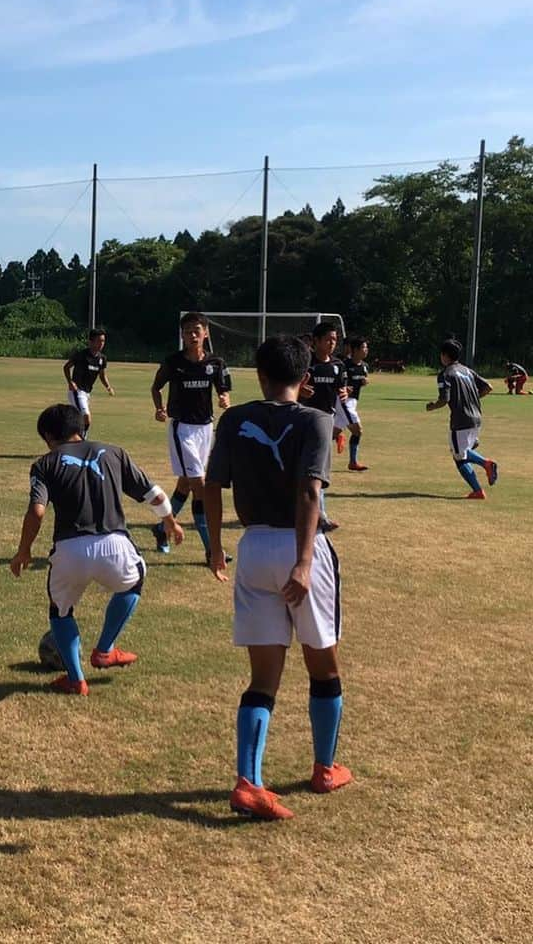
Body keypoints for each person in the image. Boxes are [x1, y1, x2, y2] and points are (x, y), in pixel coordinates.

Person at [203, 335, 352, 821]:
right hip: (297, 546)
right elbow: (310, 492)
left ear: (260, 375)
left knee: (263, 677)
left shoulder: (234, 418)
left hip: (253, 548)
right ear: (305, 380)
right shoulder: (316, 419)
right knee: (323, 666)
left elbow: (211, 485)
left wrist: (214, 547)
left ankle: (248, 782)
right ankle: (325, 769)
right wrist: (306, 562)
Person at [10, 403, 185, 696]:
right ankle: (104, 650)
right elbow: (153, 494)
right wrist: (170, 521)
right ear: (80, 429)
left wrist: (23, 550)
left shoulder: (45, 463)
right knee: (134, 582)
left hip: (69, 551)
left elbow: (37, 512)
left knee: (61, 611)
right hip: (115, 546)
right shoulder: (114, 453)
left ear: (48, 437)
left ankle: (76, 680)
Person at [149, 311, 232, 561]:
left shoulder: (216, 363)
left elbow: (223, 389)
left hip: (206, 429)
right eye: (187, 331)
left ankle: (160, 528)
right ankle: (211, 550)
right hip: (182, 429)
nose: (192, 335)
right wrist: (159, 408)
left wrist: (224, 398)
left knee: (186, 483)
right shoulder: (174, 362)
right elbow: (156, 386)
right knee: (200, 486)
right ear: (182, 335)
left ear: (205, 333)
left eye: (197, 330)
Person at [425, 339, 498, 499]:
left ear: (444, 355)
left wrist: (432, 406)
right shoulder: (467, 370)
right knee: (461, 451)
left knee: (459, 457)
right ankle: (483, 473)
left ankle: (480, 486)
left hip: (461, 420)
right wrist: (472, 399)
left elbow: (444, 399)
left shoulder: (445, 374)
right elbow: (488, 387)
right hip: (477, 417)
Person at [298, 320, 348, 531]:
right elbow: (290, 388)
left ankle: (319, 514)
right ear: (316, 341)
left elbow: (342, 392)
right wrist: (300, 390)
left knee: (318, 470)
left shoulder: (338, 366)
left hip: (327, 422)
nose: (331, 343)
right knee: (309, 469)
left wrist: (345, 394)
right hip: (305, 420)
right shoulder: (305, 364)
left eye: (334, 339)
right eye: (327, 339)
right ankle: (317, 515)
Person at [63, 328, 114, 438]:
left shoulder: (102, 359)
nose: (101, 343)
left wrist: (108, 387)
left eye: (103, 341)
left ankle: (66, 437)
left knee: (77, 420)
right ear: (91, 341)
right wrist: (70, 382)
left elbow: (102, 375)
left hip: (86, 393)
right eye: (98, 341)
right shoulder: (81, 355)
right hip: (76, 392)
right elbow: (66, 367)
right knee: (86, 417)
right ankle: (81, 442)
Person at [335, 336, 370, 471]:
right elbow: (338, 382)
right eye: (363, 348)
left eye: (367, 348)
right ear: (354, 350)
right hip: (344, 402)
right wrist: (344, 388)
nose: (366, 350)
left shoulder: (364, 366)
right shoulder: (344, 365)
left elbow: (363, 379)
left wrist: (364, 382)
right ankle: (353, 462)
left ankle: (337, 436)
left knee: (331, 433)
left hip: (353, 402)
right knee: (358, 430)